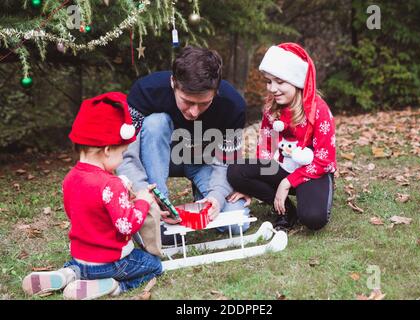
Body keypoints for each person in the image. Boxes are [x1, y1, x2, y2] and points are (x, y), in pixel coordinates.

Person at [22, 92, 163, 300]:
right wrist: (142, 201)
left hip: (80, 257)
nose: (123, 159)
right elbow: (127, 225)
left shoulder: (70, 177)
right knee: (154, 266)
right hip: (111, 262)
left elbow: (79, 212)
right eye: (122, 153)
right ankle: (114, 287)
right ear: (107, 150)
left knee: (81, 266)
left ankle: (68, 274)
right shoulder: (111, 184)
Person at [117, 46, 250, 241]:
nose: (194, 112)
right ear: (173, 83)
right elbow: (125, 153)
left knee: (237, 223)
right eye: (187, 101)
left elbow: (227, 161)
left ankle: (202, 195)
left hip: (203, 162)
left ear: (216, 90)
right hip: (159, 158)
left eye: (204, 103)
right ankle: (158, 205)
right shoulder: (146, 91)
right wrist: (142, 193)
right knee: (155, 123)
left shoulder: (233, 106)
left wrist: (216, 196)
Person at [227, 43, 337, 231]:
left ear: (296, 81)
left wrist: (287, 183)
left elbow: (325, 159)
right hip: (283, 165)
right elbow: (266, 149)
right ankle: (285, 210)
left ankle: (309, 197)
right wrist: (251, 185)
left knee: (313, 219)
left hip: (311, 172)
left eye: (280, 81)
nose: (273, 88)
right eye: (269, 81)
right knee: (236, 172)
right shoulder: (271, 109)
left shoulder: (318, 110)